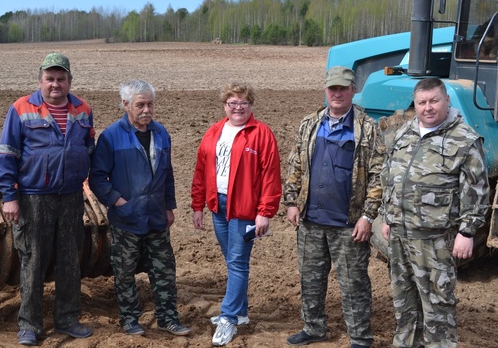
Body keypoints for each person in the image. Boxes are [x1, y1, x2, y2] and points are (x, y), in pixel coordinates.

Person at [380, 77, 490, 347]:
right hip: (400, 235)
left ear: (446, 101)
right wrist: (387, 214)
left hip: (435, 240)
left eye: (434, 101)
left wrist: (467, 231)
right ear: (415, 104)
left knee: (437, 305)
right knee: (404, 301)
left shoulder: (464, 139)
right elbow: (389, 174)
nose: (428, 108)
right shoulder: (405, 132)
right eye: (422, 102)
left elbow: (477, 189)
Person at [0, 52, 95, 346]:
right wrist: (9, 196)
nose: (55, 84)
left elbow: (88, 148)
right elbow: (7, 156)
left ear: (69, 81)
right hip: (33, 198)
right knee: (33, 261)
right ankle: (29, 325)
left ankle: (67, 319)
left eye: (61, 78)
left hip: (71, 197)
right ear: (40, 80)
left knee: (69, 261)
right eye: (50, 78)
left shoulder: (83, 109)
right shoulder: (22, 108)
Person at [284, 66, 385, 348]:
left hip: (349, 225)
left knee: (354, 285)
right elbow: (295, 165)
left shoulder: (368, 128)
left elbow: (379, 175)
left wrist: (367, 217)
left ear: (353, 90)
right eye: (332, 89)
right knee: (310, 281)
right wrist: (291, 202)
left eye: (343, 88)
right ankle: (313, 328)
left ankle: (360, 337)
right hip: (311, 221)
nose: (337, 93)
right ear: (326, 91)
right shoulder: (309, 124)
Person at [88, 80, 190, 337]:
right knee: (125, 273)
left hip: (156, 216)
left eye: (150, 104)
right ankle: (130, 319)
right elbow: (98, 177)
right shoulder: (111, 136)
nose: (147, 110)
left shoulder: (161, 133)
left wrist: (169, 207)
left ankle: (168, 318)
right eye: (140, 104)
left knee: (164, 271)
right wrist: (119, 202)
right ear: (126, 105)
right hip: (127, 219)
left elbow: (167, 174)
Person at [191, 82, 282, 347]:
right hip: (218, 206)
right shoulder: (214, 132)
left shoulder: (261, 133)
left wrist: (265, 213)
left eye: (243, 102)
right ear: (225, 106)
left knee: (238, 262)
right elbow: (200, 170)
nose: (238, 107)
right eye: (233, 102)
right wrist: (198, 205)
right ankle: (241, 313)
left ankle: (228, 318)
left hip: (244, 209)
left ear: (251, 105)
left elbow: (270, 176)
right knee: (231, 261)